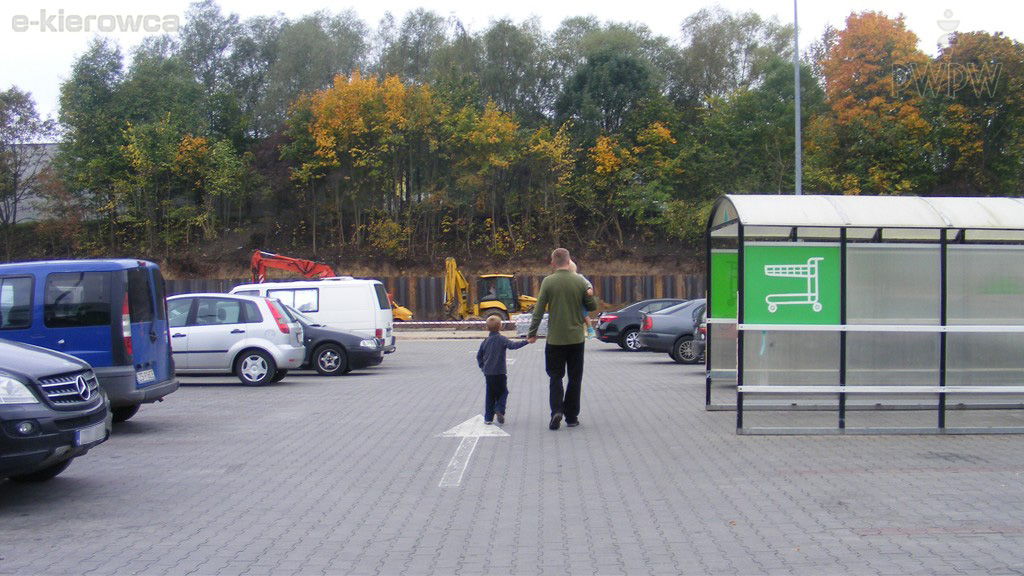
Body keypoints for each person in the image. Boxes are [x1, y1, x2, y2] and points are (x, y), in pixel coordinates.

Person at [528, 248, 597, 430]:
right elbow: (591, 305)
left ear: (552, 263)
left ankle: (556, 411)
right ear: (569, 260)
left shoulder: (548, 283)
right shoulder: (580, 282)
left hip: (555, 340)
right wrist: (589, 293)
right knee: (575, 378)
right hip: (576, 339)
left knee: (555, 377)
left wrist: (532, 332)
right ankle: (572, 417)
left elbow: (539, 310)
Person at [477, 315, 530, 425]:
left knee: (490, 394)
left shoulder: (485, 341)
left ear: (487, 328)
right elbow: (513, 345)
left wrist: (483, 367)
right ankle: (499, 409)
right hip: (500, 372)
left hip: (488, 373)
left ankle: (488, 418)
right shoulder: (502, 339)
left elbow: (479, 356)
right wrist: (527, 341)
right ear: (500, 326)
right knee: (503, 392)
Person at [569, 260, 596, 339]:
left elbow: (588, 284)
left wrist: (589, 289)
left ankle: (590, 329)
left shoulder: (579, 277)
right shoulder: (565, 278)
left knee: (584, 314)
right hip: (570, 301)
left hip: (579, 300)